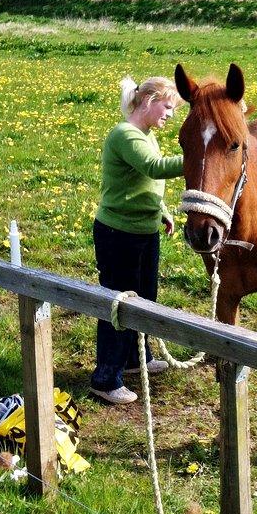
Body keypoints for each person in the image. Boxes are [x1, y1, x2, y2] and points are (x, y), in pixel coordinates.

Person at [90, 76, 184, 404]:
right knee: (119, 304)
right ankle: (105, 378)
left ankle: (133, 361)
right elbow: (153, 168)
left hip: (144, 231)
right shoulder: (124, 135)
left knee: (144, 299)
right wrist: (203, 156)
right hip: (119, 235)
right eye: (168, 106)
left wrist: (161, 211)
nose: (171, 114)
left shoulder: (145, 135)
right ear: (148, 101)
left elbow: (143, 182)